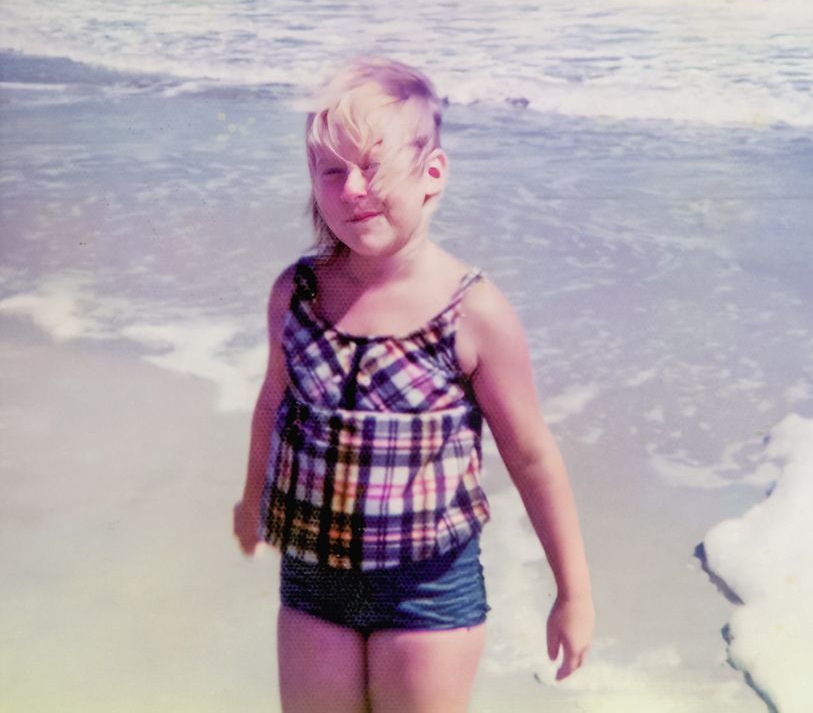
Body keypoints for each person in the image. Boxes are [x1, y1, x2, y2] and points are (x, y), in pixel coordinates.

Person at [233, 57, 594, 713]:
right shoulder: (298, 293)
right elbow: (272, 402)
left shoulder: (472, 311)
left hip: (429, 591)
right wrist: (252, 496)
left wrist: (575, 592)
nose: (352, 189)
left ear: (432, 175)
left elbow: (532, 455)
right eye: (331, 172)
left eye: (374, 166)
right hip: (314, 581)